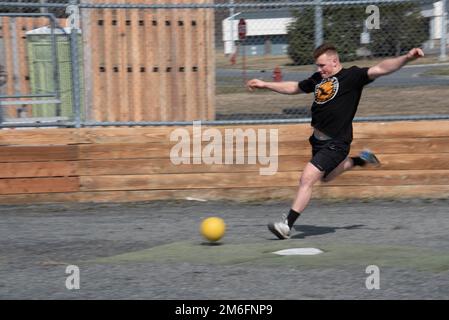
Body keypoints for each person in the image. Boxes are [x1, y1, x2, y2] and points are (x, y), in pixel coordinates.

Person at [246, 43, 424, 240]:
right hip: (318, 141)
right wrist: (265, 85)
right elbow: (294, 87)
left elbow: (382, 68)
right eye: (317, 66)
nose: (319, 69)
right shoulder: (318, 79)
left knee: (307, 178)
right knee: (325, 178)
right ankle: (360, 160)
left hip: (337, 142)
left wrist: (408, 57)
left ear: (334, 61)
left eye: (322, 65)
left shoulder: (352, 76)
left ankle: (286, 225)